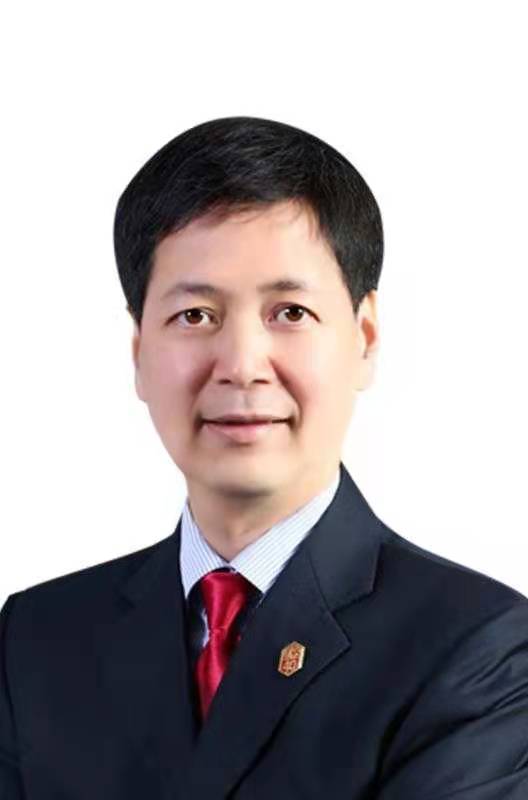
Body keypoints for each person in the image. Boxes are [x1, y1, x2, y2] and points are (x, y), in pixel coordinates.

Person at [1, 116, 527, 800]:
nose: (243, 364)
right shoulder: (37, 640)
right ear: (138, 353)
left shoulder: (475, 647)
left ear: (365, 338)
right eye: (195, 316)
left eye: (290, 313)